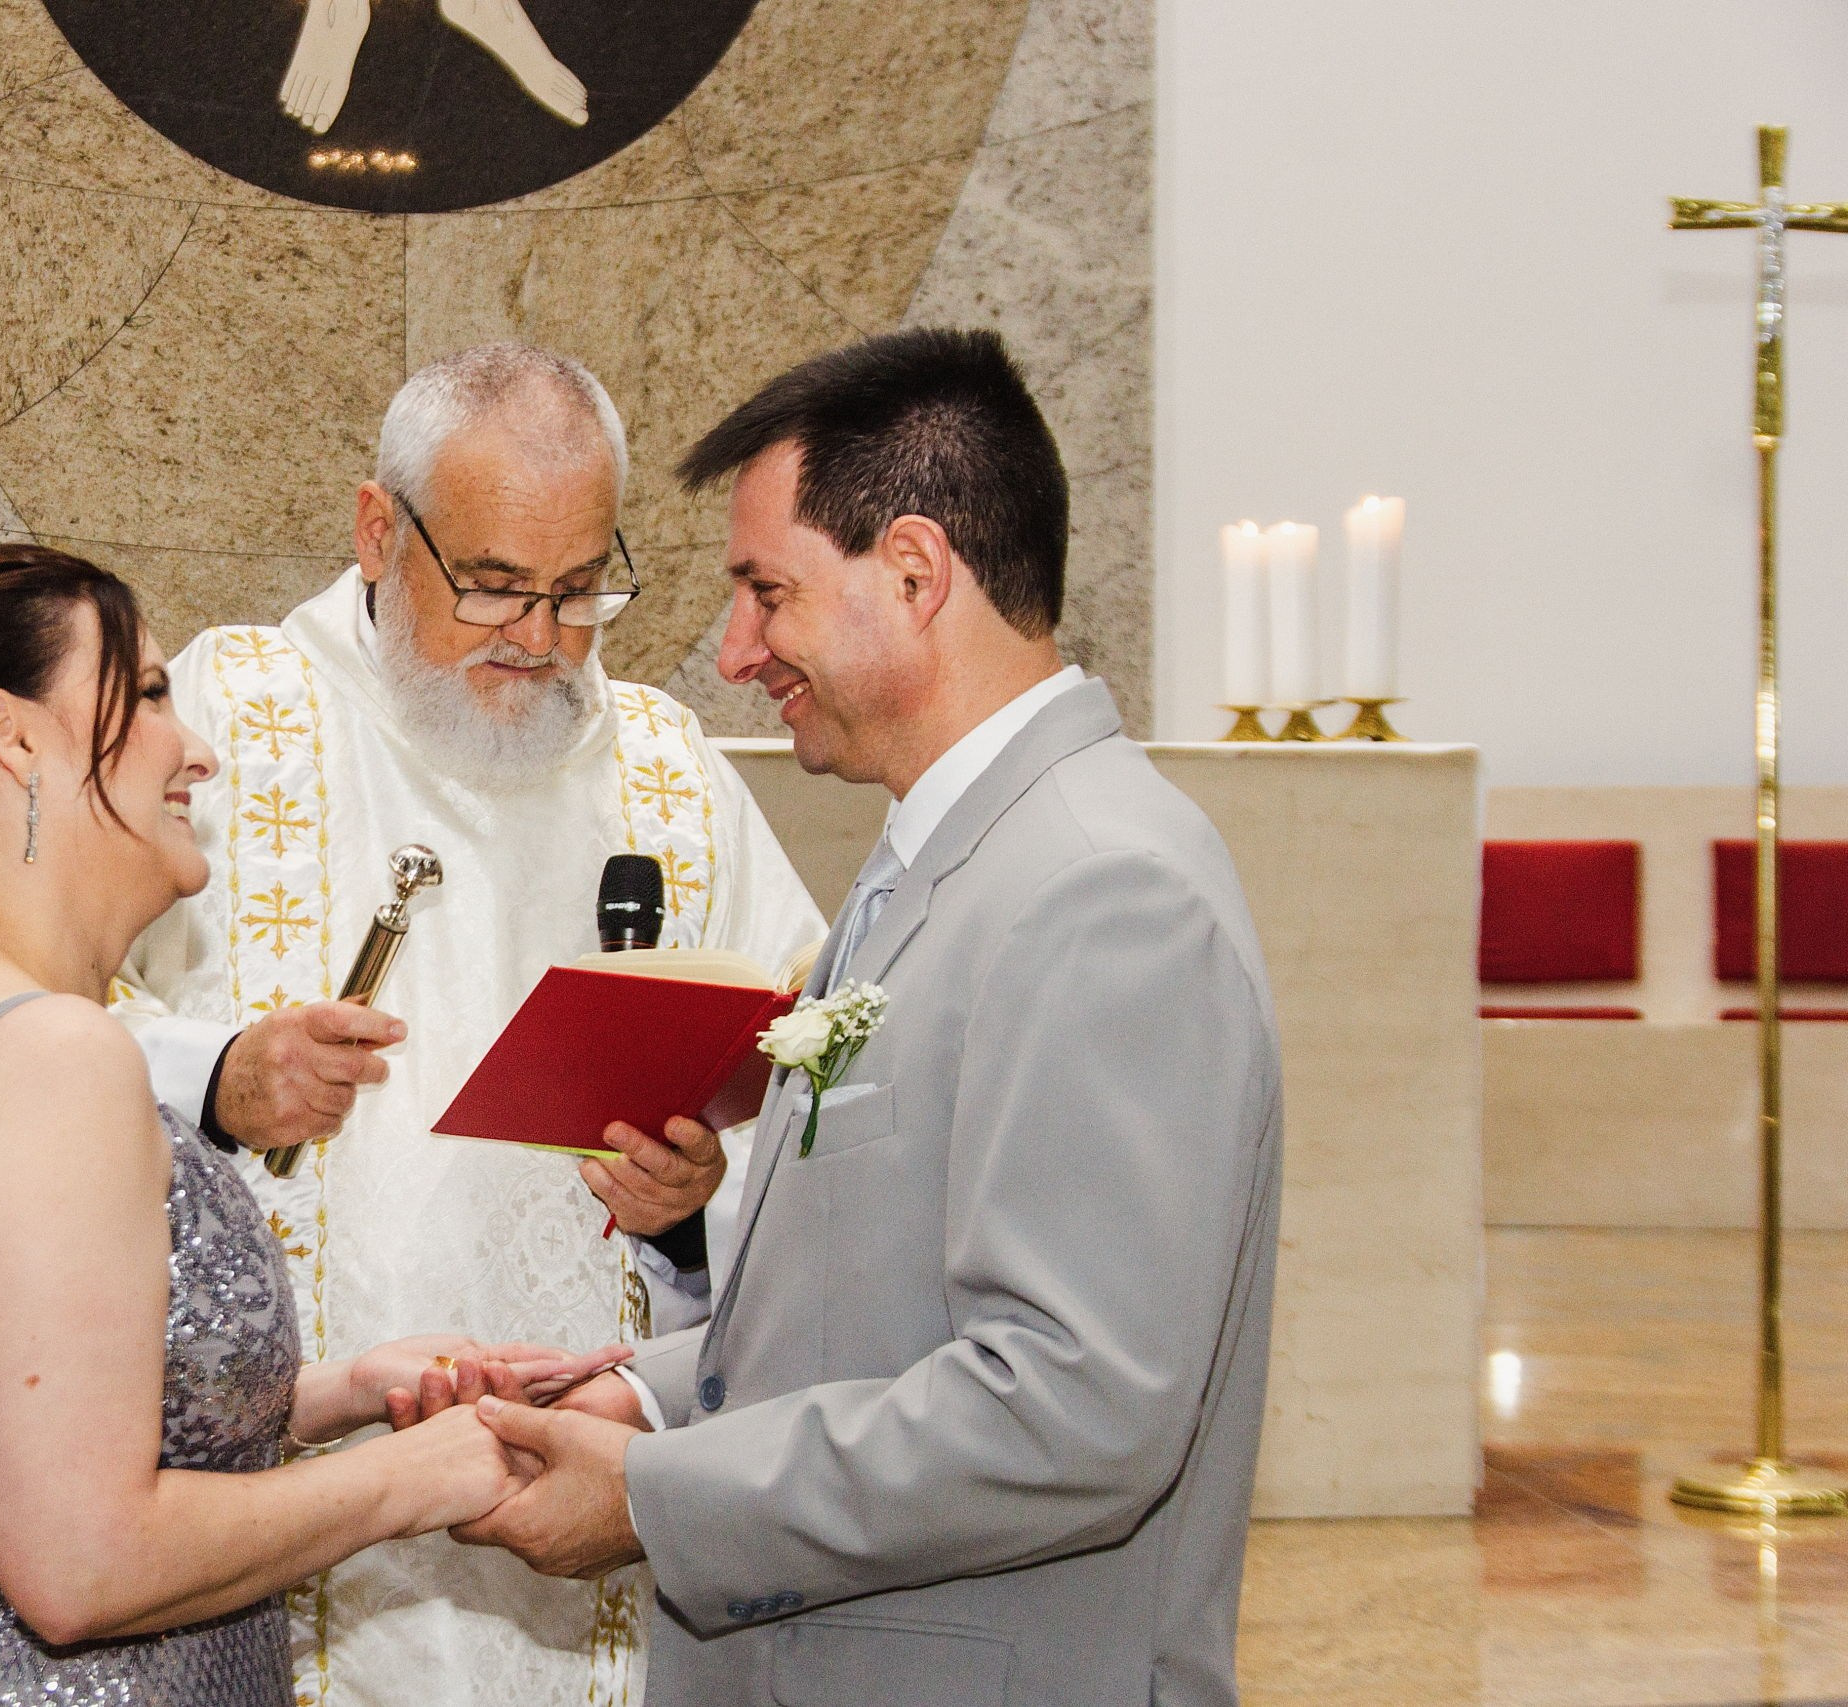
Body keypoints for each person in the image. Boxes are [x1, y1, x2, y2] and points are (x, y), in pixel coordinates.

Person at [430, 328, 1287, 1707]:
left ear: (914, 570)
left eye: (766, 592)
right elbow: (873, 1314)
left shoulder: (1104, 889)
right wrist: (642, 1392)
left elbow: (1074, 1407)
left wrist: (654, 1494)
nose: (734, 651)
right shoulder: (948, 857)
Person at [0, 543, 626, 1703]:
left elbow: (1, 1420)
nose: (198, 750)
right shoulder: (48, 1056)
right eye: (148, 694)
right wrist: (424, 1474)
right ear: (9, 735)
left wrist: (343, 1392)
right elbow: (80, 1567)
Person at [115, 343, 824, 1707]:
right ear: (378, 531)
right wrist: (221, 1072)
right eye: (493, 583)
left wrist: (693, 1208)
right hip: (288, 1495)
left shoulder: (670, 772)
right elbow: (31, 1014)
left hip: (588, 1504)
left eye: (579, 588)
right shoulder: (224, 714)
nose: (539, 637)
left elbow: (817, 1106)